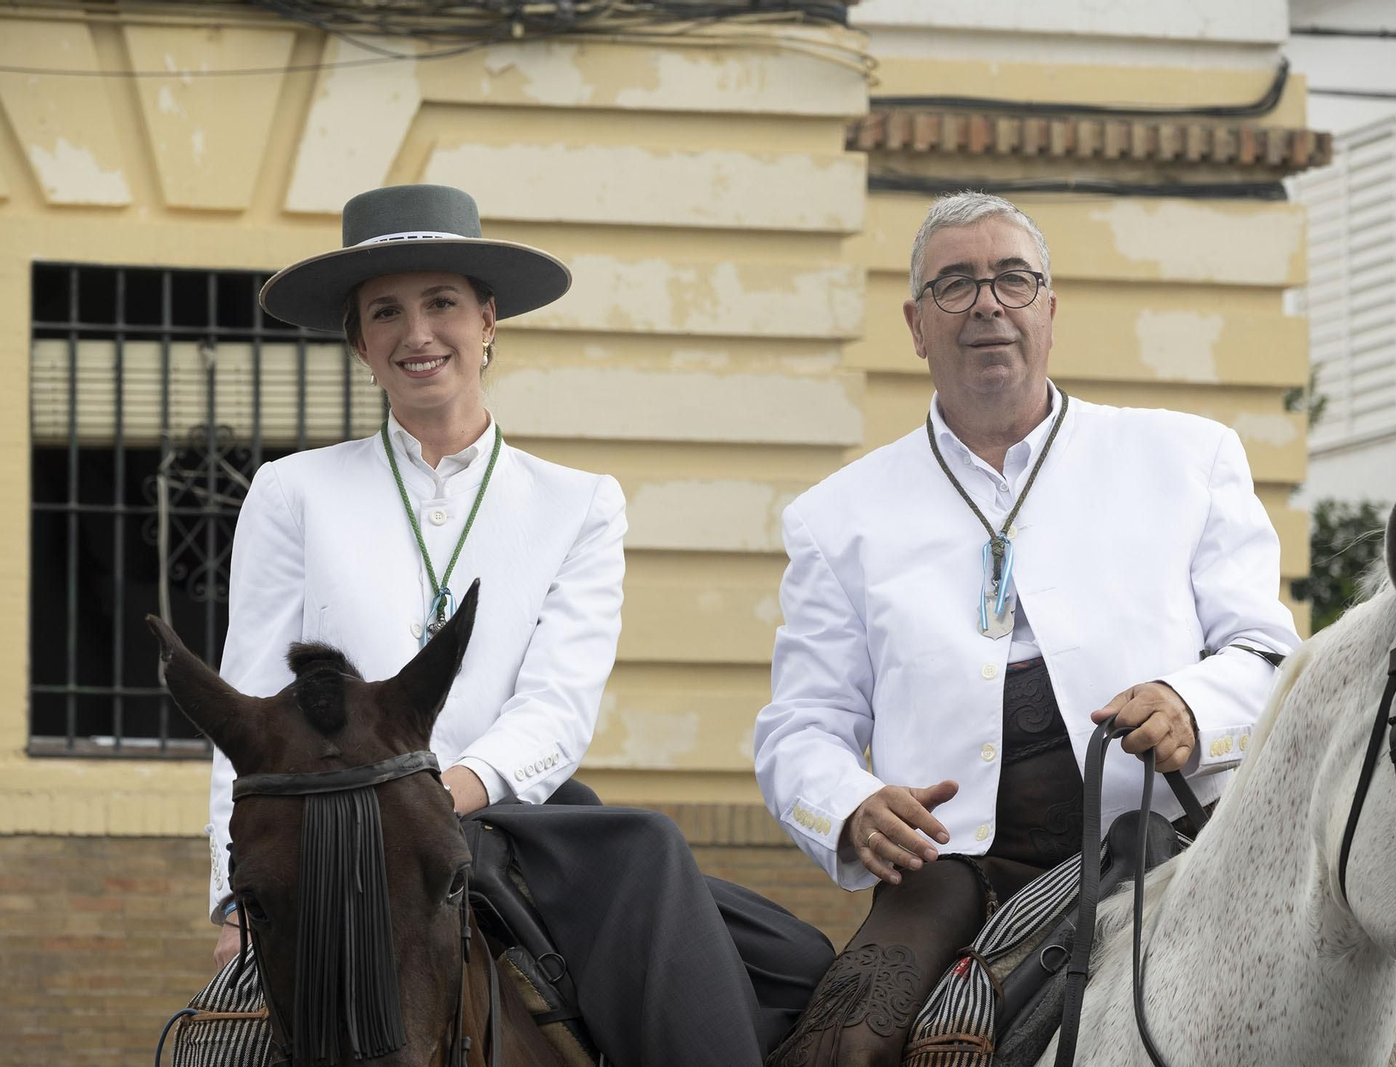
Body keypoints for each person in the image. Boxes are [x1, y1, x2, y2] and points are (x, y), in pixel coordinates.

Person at [207, 183, 832, 1064]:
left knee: (767, 940)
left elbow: (558, 706)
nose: (418, 333)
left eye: (442, 304)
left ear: (488, 321)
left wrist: (438, 795)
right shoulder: (291, 492)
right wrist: (234, 905)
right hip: (324, 831)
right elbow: (246, 715)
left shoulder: (578, 504)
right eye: (386, 311)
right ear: (359, 342)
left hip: (504, 816)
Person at [754, 191, 1300, 1065]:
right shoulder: (839, 516)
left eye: (1013, 279)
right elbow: (799, 726)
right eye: (955, 284)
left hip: (1158, 836)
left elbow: (1270, 655)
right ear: (915, 322)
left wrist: (1190, 704)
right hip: (948, 864)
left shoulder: (1187, 458)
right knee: (843, 1046)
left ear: (1049, 308)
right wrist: (852, 806)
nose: (986, 304)